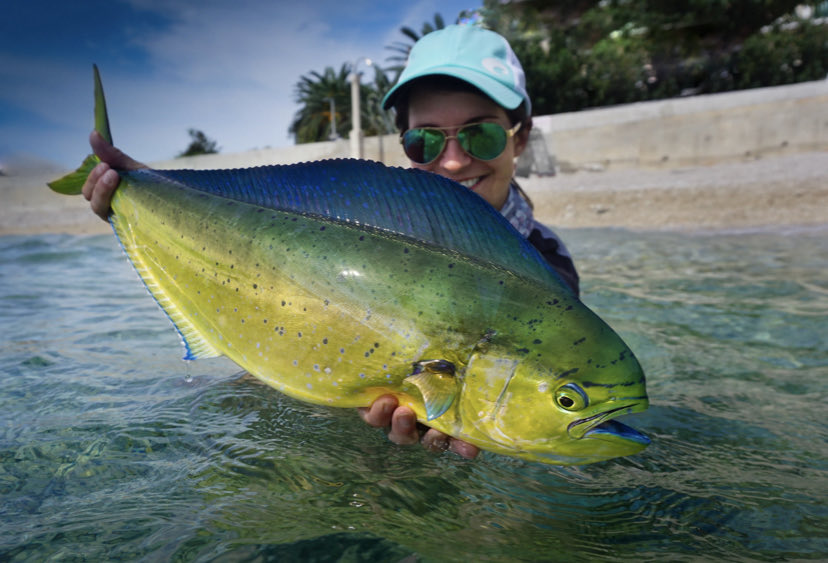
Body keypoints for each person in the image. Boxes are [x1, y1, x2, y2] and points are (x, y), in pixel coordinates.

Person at [81, 24, 579, 460]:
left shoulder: (550, 269)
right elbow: (248, 244)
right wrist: (137, 195)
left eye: (480, 135)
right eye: (425, 141)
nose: (452, 161)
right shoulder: (347, 231)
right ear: (402, 141)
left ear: (521, 137)